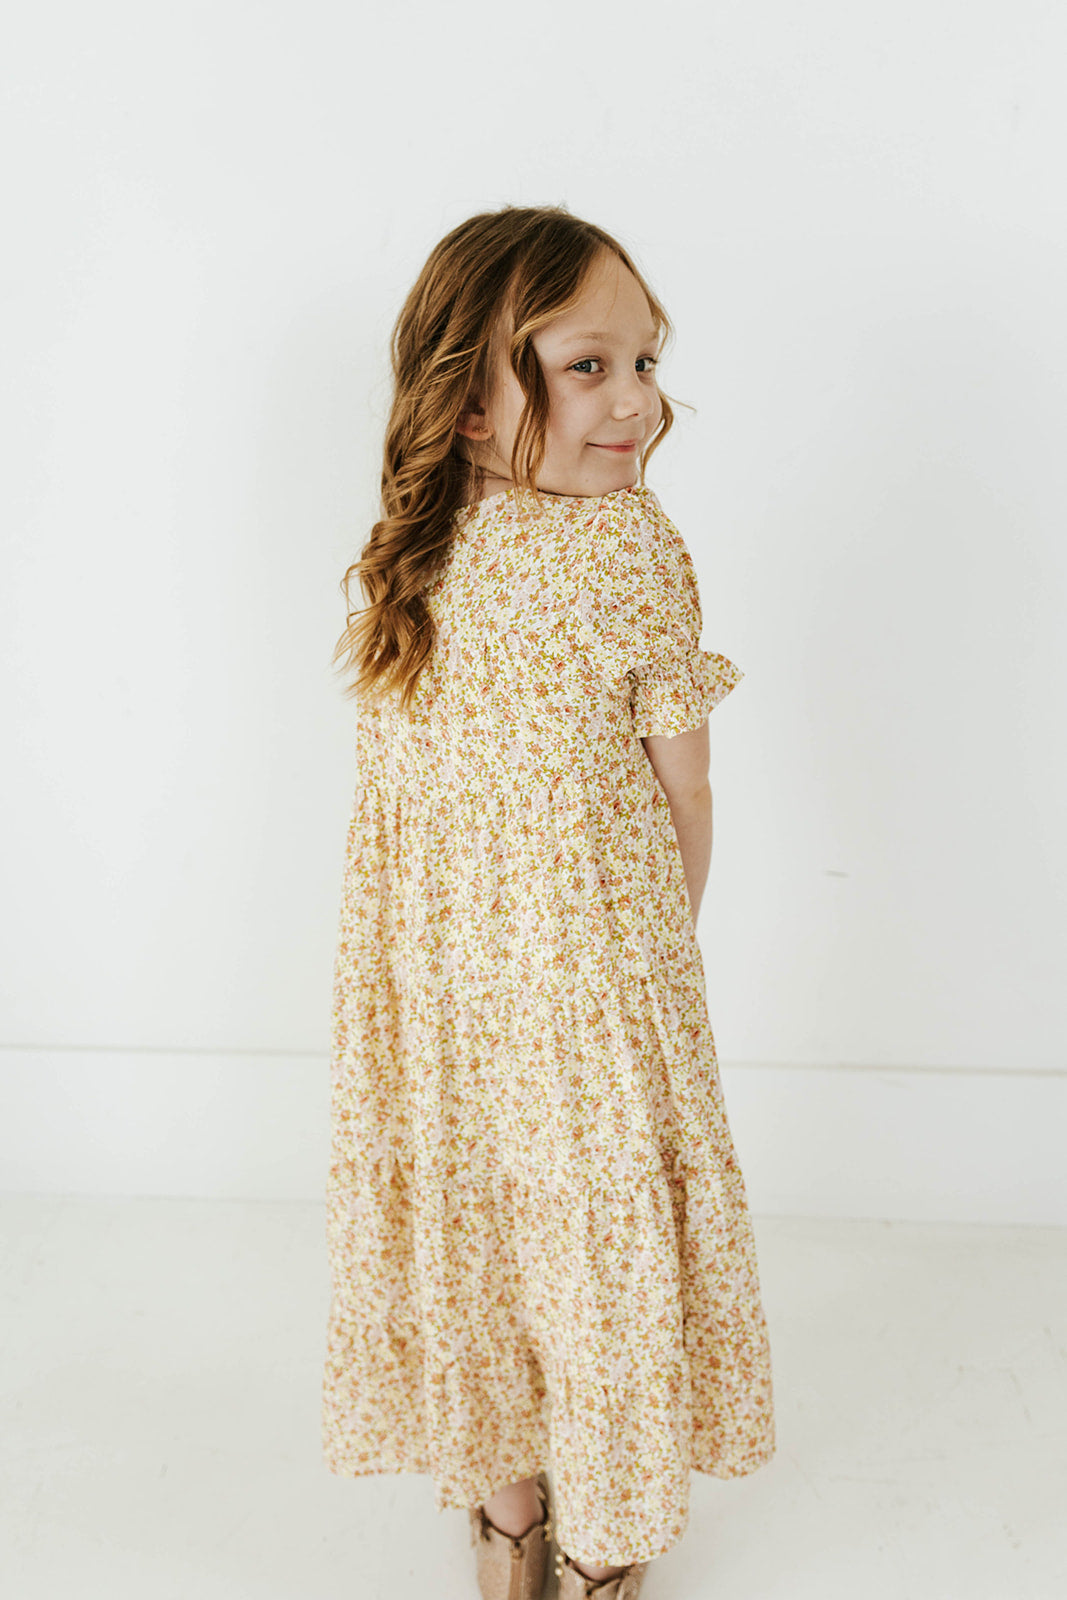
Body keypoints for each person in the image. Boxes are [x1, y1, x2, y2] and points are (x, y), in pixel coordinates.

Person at [322, 203, 776, 1600]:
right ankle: (583, 1538)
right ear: (468, 401)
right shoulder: (608, 547)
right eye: (587, 367)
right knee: (588, 1250)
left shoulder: (430, 545)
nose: (634, 402)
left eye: (644, 363)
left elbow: (405, 804)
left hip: (455, 990)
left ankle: (520, 1517)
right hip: (561, 990)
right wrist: (660, 941)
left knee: (488, 1235)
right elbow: (685, 789)